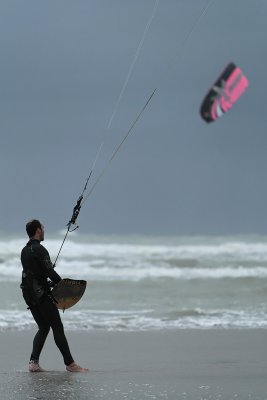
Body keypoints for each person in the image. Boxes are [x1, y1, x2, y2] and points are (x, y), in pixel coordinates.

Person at [20, 219, 88, 373]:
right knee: (57, 326)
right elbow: (50, 272)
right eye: (42, 227)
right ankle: (70, 364)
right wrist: (63, 284)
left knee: (44, 327)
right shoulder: (40, 249)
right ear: (38, 230)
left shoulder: (24, 250)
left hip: (28, 294)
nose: (44, 230)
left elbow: (33, 274)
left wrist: (48, 279)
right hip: (41, 295)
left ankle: (33, 363)